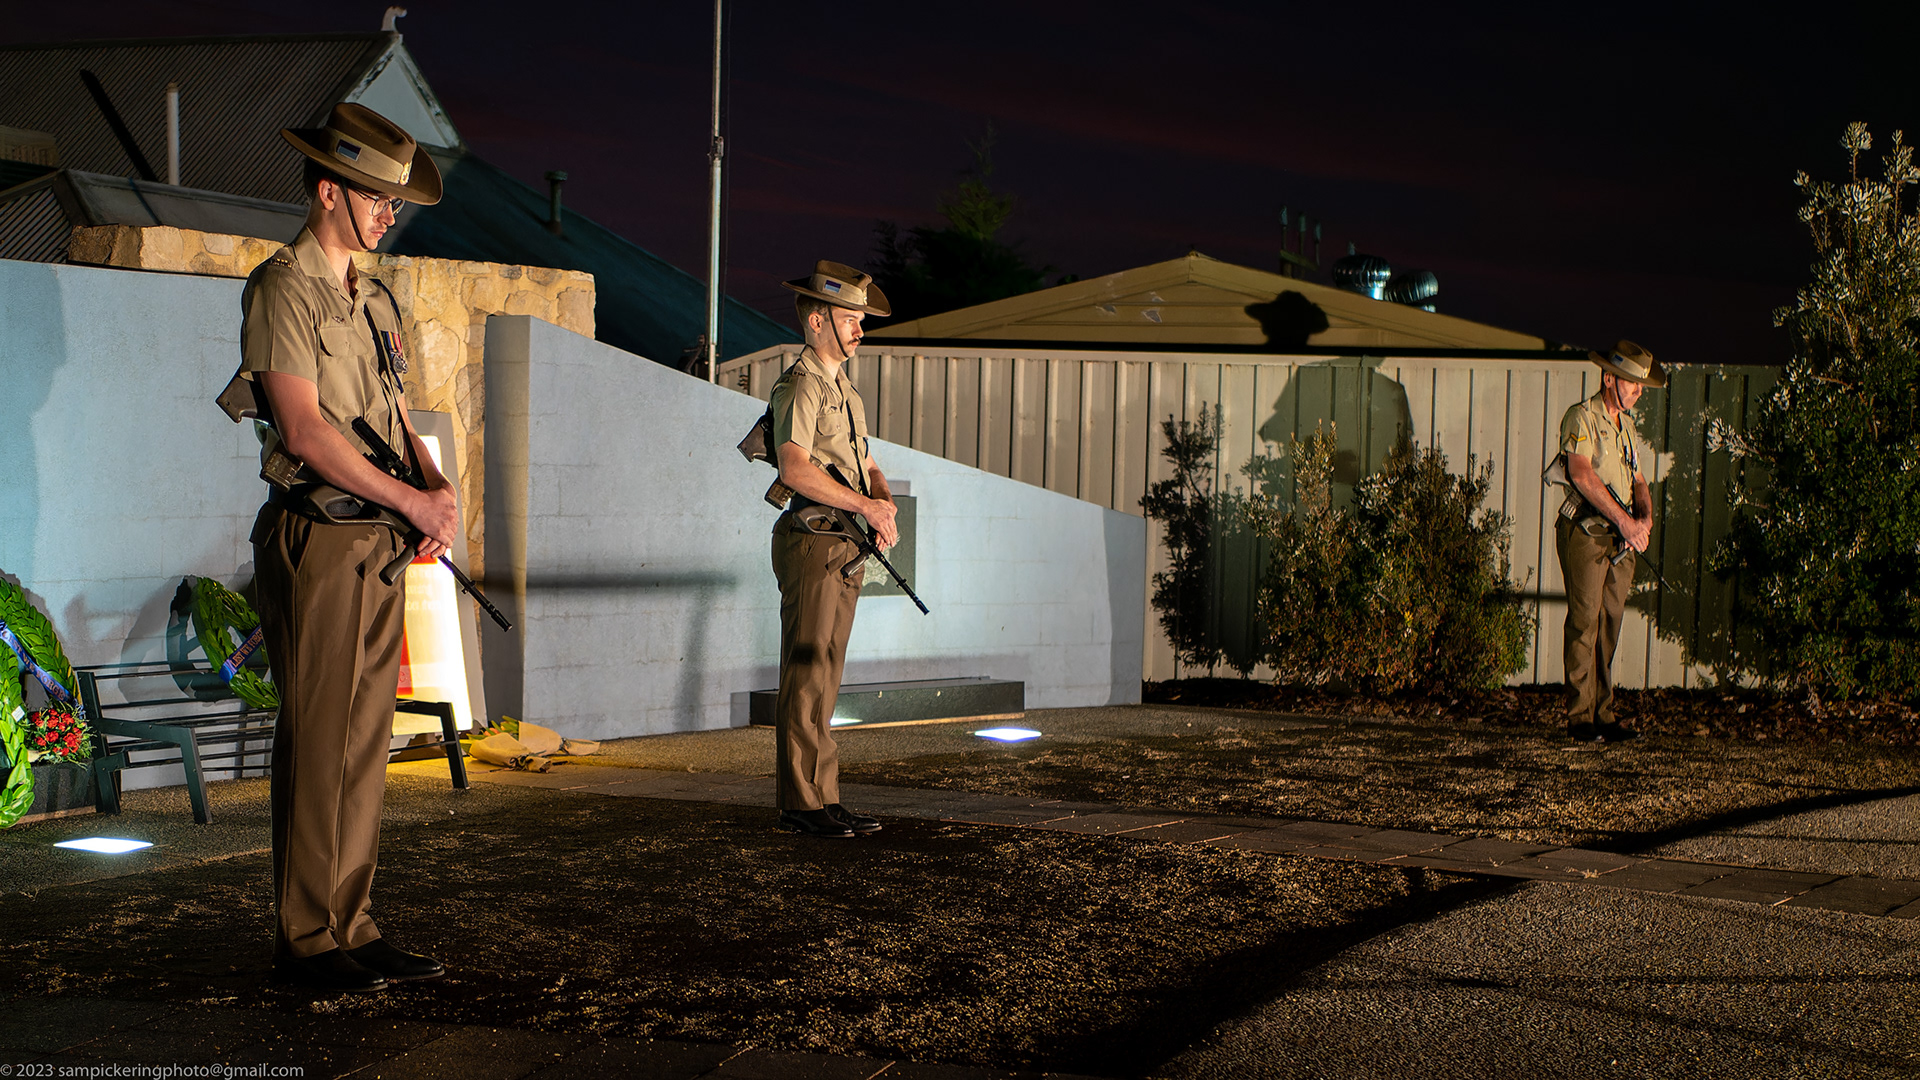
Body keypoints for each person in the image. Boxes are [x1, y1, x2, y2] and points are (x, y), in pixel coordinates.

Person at [217, 103, 457, 992]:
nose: (389, 214)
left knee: (364, 743)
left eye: (394, 202)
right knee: (319, 741)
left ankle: (351, 921)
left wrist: (435, 490)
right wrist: (409, 499)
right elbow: (306, 430)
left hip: (375, 542)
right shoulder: (282, 288)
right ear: (328, 192)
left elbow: (393, 414)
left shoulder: (374, 297)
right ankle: (305, 935)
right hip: (317, 537)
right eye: (376, 198)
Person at [766, 261, 901, 839]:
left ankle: (824, 796)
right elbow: (794, 468)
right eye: (850, 320)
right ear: (817, 321)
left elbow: (866, 462)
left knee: (826, 674)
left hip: (843, 545)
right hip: (813, 541)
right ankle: (800, 802)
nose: (859, 331)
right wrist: (866, 506)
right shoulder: (800, 385)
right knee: (805, 673)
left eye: (860, 322)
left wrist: (882, 504)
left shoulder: (844, 390)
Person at [1554, 340, 1664, 744]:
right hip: (1587, 532)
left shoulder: (1628, 428)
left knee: (1609, 623)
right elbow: (1581, 474)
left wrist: (1644, 520)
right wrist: (1625, 521)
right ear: (1608, 378)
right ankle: (1579, 717)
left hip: (1621, 540)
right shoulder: (1581, 417)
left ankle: (1603, 714)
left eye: (1640, 385)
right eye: (1632, 383)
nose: (1638, 391)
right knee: (1584, 621)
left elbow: (1639, 481)